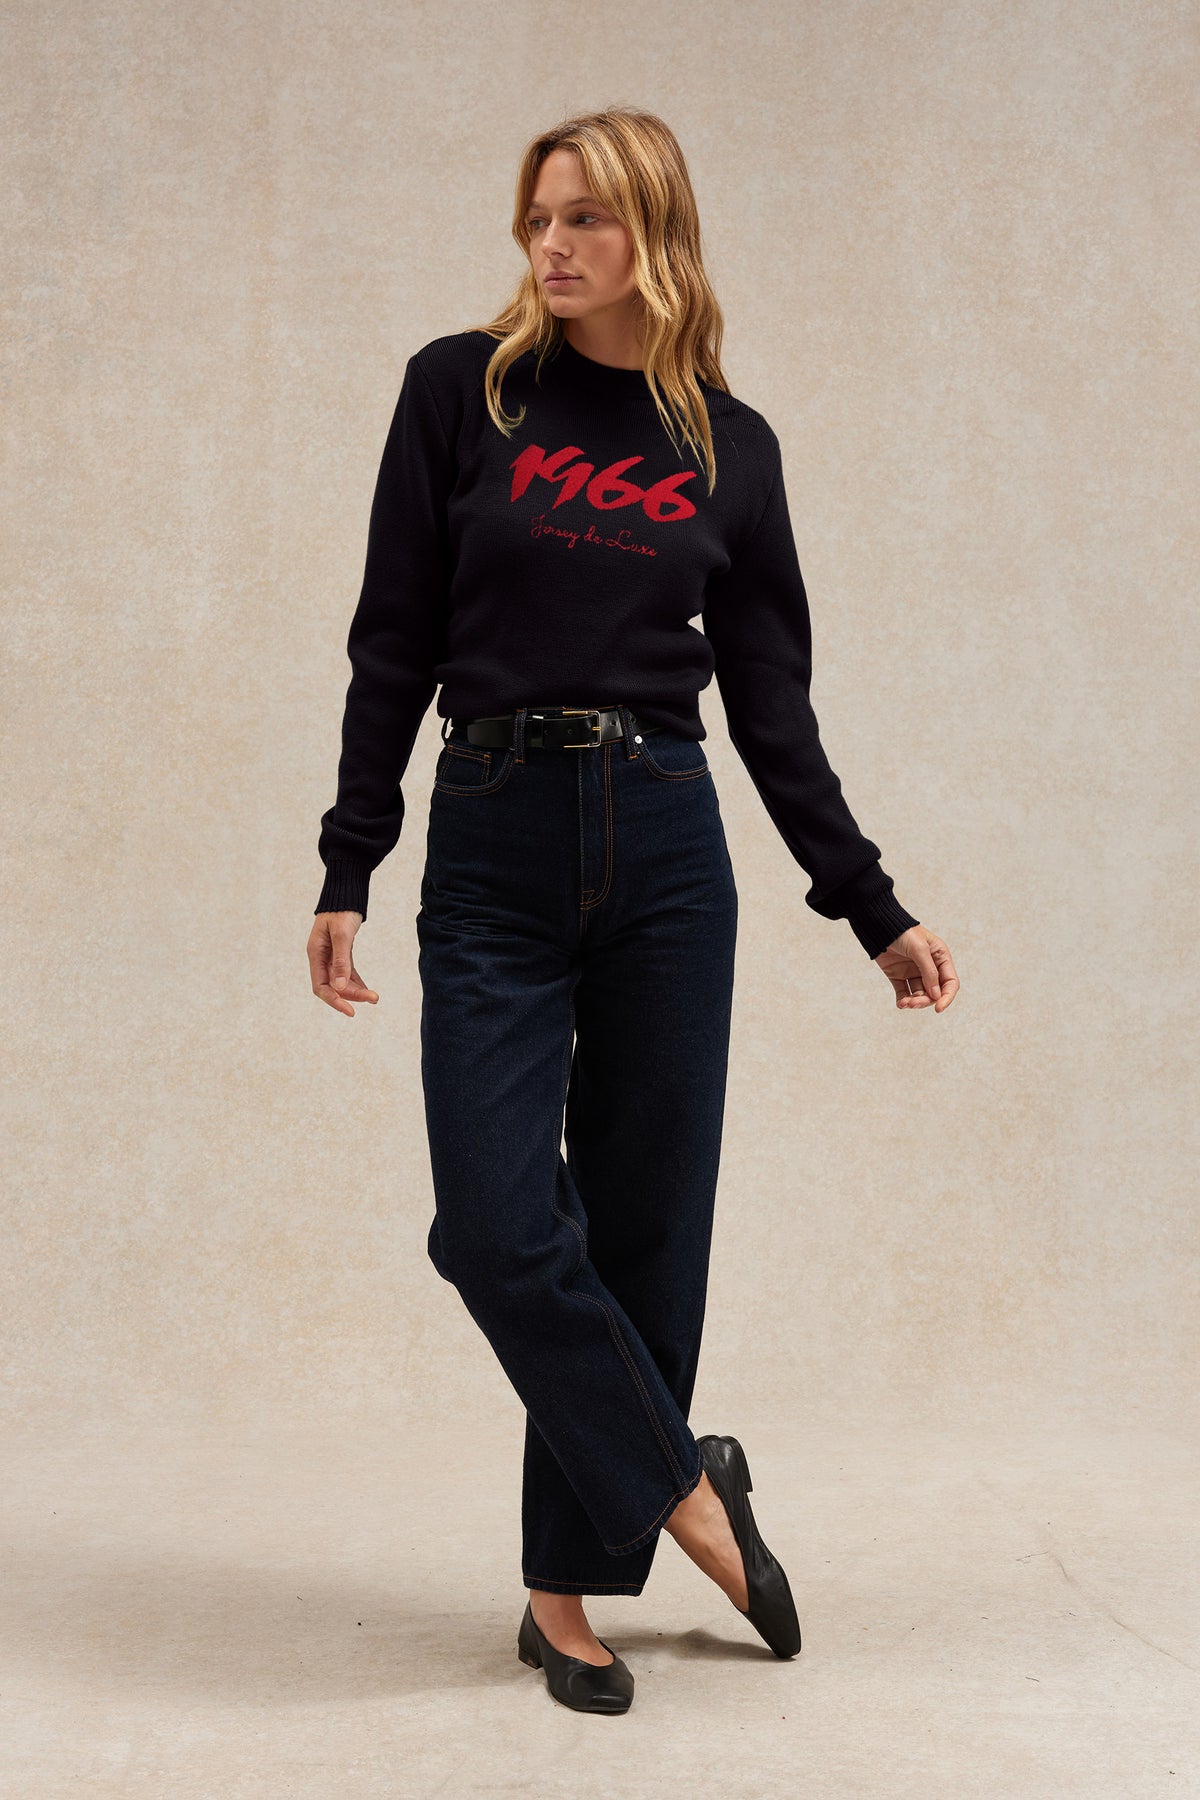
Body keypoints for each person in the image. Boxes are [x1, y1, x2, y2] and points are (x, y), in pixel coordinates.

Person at [307, 106, 959, 1715]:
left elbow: (774, 710)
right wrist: (350, 860)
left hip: (667, 841)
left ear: (654, 233)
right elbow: (393, 639)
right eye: (539, 216)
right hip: (491, 832)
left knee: (648, 1228)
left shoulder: (733, 449)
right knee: (496, 1225)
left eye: (586, 218)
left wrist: (870, 906)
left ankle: (565, 1597)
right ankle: (687, 1487)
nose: (552, 244)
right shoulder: (461, 390)